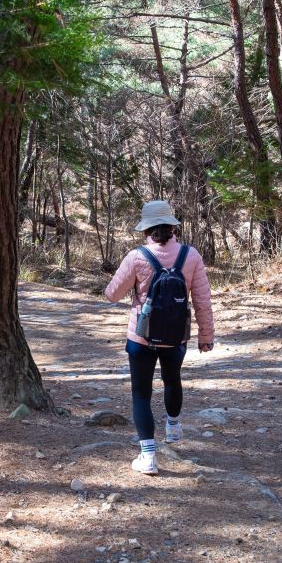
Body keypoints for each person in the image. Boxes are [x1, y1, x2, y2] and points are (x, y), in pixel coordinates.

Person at [105, 200, 214, 476]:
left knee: (141, 393)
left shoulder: (137, 256)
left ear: (147, 228)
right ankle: (174, 428)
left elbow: (111, 294)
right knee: (172, 380)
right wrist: (205, 336)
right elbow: (202, 301)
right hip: (176, 337)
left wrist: (136, 289)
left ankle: (148, 455)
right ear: (171, 226)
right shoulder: (191, 256)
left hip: (141, 338)